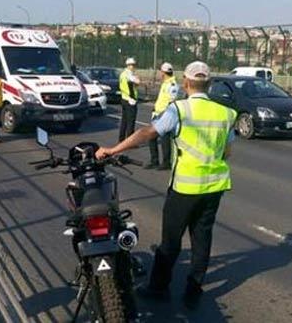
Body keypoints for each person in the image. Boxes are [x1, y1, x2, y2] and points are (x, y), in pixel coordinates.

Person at [96, 61, 237, 310]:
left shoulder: (180, 110)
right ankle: (193, 291)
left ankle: (158, 288)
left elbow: (148, 133)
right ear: (210, 84)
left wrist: (113, 149)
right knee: (202, 238)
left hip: (185, 188)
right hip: (215, 186)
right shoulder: (225, 113)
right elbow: (226, 151)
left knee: (170, 241)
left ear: (186, 83)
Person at [146, 62, 178, 170]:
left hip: (164, 116)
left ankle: (166, 163)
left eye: (161, 72)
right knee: (151, 137)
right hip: (157, 115)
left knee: (165, 140)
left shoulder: (172, 85)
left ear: (164, 73)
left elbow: (171, 102)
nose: (160, 74)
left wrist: (165, 116)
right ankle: (154, 161)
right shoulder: (165, 83)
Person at [119, 57, 140, 141]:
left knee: (124, 121)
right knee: (131, 122)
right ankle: (130, 141)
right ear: (129, 65)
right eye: (133, 65)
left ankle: (121, 139)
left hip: (124, 99)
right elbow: (137, 82)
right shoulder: (129, 74)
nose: (134, 67)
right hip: (131, 100)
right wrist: (137, 78)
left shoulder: (122, 74)